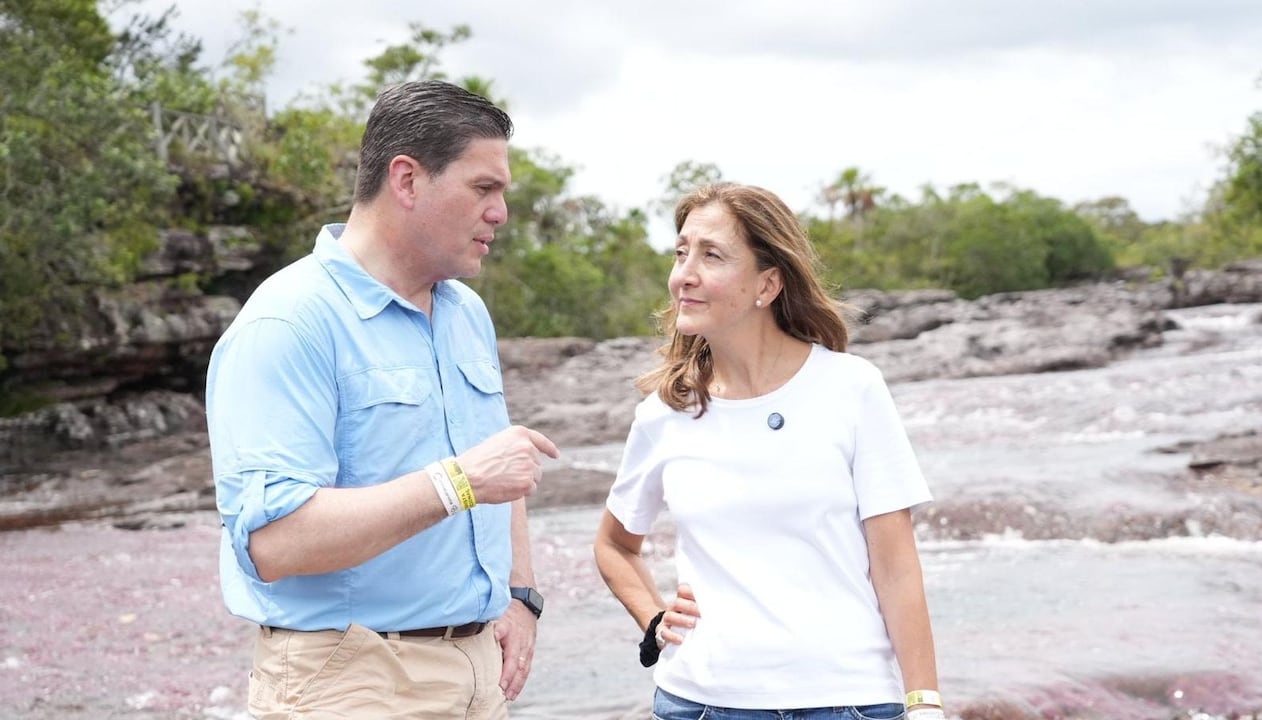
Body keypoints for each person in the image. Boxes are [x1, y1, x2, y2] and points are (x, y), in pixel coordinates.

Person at [206, 80, 557, 719]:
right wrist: (458, 483)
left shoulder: (465, 312)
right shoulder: (288, 322)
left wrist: (520, 595)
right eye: (484, 188)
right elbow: (273, 544)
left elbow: (501, 466)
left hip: (478, 675)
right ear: (406, 180)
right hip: (347, 680)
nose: (501, 212)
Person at [593, 182, 947, 720]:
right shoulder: (665, 413)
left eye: (711, 255)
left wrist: (924, 703)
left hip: (844, 701)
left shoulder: (852, 388)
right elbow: (614, 545)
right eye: (681, 252)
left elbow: (896, 566)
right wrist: (654, 618)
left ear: (768, 284)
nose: (684, 274)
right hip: (698, 704)